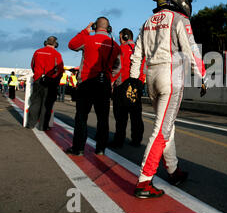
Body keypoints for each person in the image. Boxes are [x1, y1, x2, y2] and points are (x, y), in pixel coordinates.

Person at [129, 0, 207, 198]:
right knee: (161, 131)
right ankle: (144, 181)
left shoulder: (147, 21)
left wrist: (134, 81)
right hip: (170, 76)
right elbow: (191, 50)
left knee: (167, 126)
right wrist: (203, 77)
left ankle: (173, 171)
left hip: (150, 76)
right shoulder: (179, 19)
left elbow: (136, 56)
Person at [65, 17, 121, 156]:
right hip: (104, 84)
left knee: (81, 117)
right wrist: (110, 79)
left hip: (87, 83)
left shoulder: (88, 39)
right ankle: (101, 148)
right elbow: (118, 67)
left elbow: (72, 45)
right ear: (109, 29)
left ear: (95, 26)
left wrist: (85, 30)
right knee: (103, 118)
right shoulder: (115, 45)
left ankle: (78, 148)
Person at [111, 28, 146, 148]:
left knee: (121, 116)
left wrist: (111, 82)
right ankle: (136, 140)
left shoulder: (121, 49)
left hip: (122, 85)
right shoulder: (141, 50)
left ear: (123, 37)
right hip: (137, 86)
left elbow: (117, 68)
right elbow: (145, 68)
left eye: (120, 37)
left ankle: (119, 140)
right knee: (136, 115)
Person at [26, 36, 64, 131]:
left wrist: (38, 74)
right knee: (46, 104)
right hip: (51, 81)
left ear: (45, 42)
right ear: (55, 44)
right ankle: (43, 126)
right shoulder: (57, 54)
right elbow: (60, 70)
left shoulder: (37, 52)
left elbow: (32, 65)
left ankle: (30, 124)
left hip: (38, 79)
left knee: (35, 102)